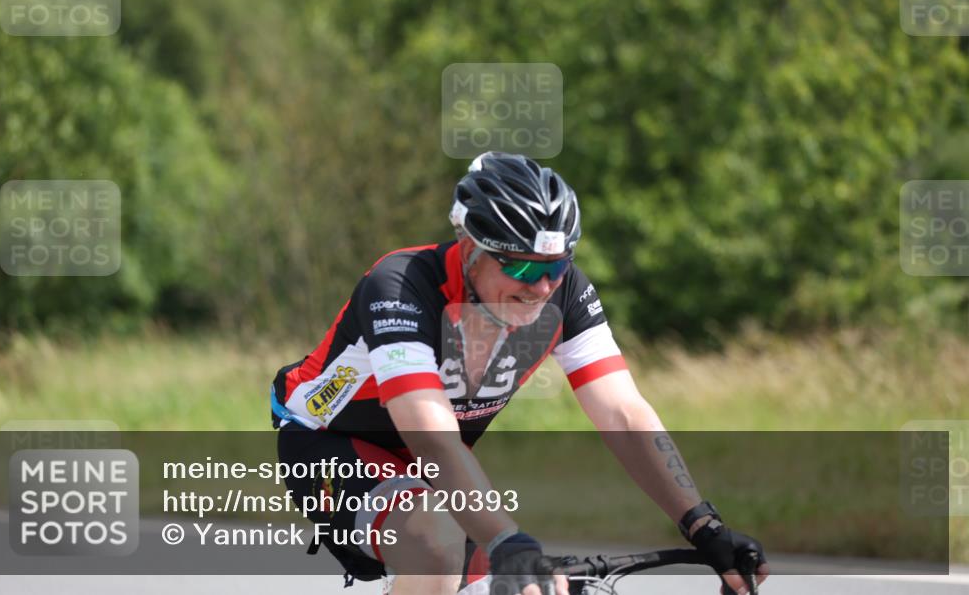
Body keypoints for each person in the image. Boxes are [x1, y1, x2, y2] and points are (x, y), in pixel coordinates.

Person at [271, 152, 769, 595]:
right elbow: (431, 436)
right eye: (524, 269)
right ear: (469, 248)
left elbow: (623, 412)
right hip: (328, 442)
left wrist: (704, 526)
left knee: (529, 586)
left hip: (429, 464)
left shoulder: (567, 293)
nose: (543, 286)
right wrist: (507, 540)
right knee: (438, 544)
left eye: (556, 266)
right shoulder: (400, 286)